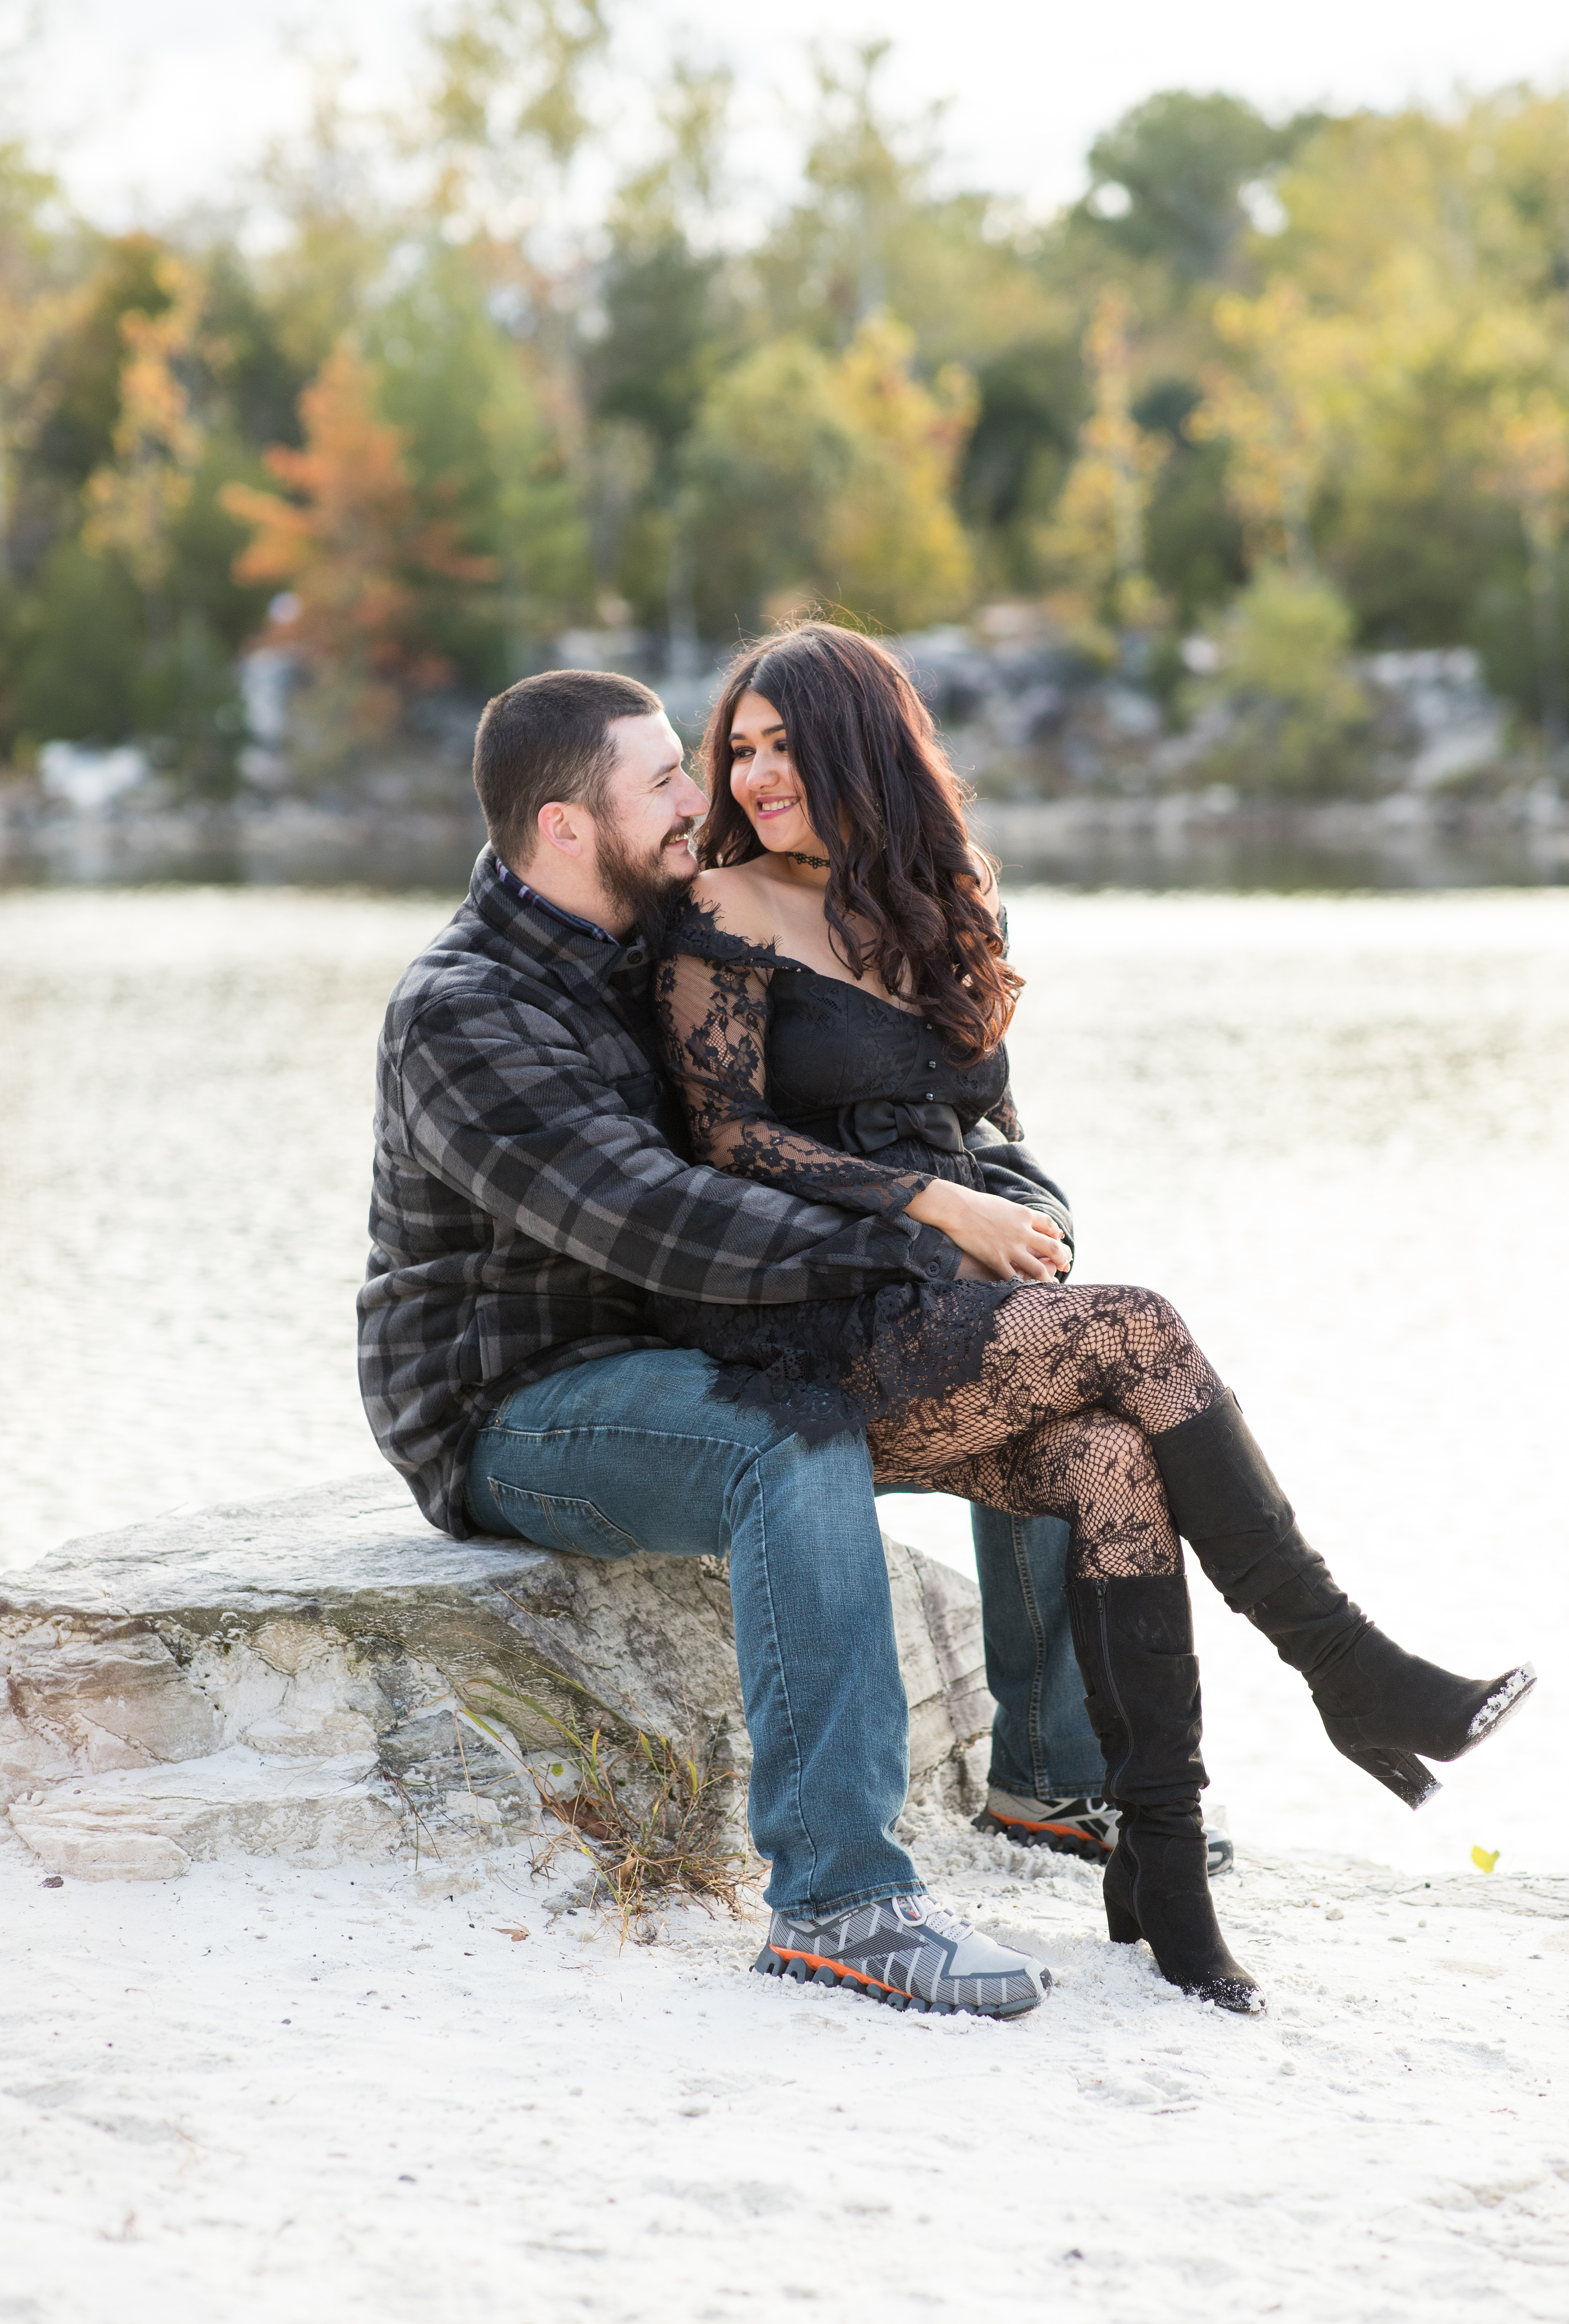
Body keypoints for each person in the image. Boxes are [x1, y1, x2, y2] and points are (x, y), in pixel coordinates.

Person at [647, 621, 1538, 2017]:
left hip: (964, 1310)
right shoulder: (727, 911)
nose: (754, 777)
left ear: (858, 748)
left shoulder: (938, 901)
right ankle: (1349, 1666)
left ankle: (1161, 1875)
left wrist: (1015, 1216)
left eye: (782, 746)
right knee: (1145, 1330)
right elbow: (728, 1141)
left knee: (1118, 1466)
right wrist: (938, 1208)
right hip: (815, 1325)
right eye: (739, 750)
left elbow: (997, 1128)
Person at [359, 667, 1045, 2021]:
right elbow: (653, 1220)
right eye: (667, 776)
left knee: (1045, 1362)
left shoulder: (667, 940)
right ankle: (842, 1904)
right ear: (568, 825)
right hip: (518, 1405)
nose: (706, 797)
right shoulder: (467, 1009)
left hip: (700, 1344)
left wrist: (1017, 1227)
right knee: (791, 1441)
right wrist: (926, 1245)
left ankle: (1058, 1786)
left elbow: (914, 1129)